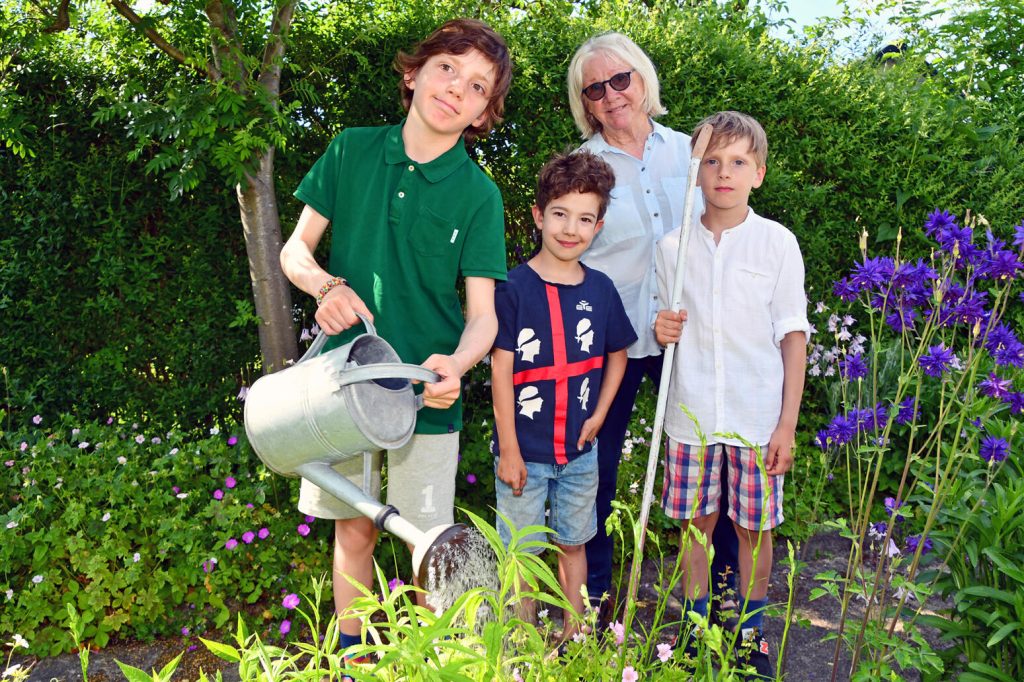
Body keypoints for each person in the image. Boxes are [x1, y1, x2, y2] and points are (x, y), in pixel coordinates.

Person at [278, 18, 512, 672]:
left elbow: (484, 319)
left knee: (427, 545)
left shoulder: (480, 195)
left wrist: (457, 364)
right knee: (353, 531)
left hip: (426, 400)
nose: (456, 88)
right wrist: (324, 285)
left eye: (477, 86)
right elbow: (294, 252)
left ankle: (430, 666)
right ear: (414, 73)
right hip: (341, 389)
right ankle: (352, 663)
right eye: (447, 68)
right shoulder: (350, 150)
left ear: (482, 114)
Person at [566, 31, 739, 625]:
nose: (612, 94)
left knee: (715, 460)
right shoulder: (583, 168)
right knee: (594, 469)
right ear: (586, 104)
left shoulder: (694, 152)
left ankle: (724, 598)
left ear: (643, 79)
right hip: (612, 340)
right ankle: (593, 606)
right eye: (596, 88)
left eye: (621, 79)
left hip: (691, 335)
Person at [654, 111, 808, 678]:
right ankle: (696, 630)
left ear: (758, 174)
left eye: (738, 162)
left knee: (753, 529)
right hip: (690, 412)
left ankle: (750, 633)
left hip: (756, 415)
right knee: (695, 526)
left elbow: (793, 336)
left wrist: (786, 424)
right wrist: (661, 328)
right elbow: (663, 320)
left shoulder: (777, 244)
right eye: (713, 161)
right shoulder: (672, 247)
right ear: (696, 172)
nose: (724, 173)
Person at [490, 150, 636, 644]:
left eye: (585, 218)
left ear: (598, 227)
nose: (571, 229)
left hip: (579, 453)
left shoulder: (602, 289)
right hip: (524, 454)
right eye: (560, 214)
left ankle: (575, 639)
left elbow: (618, 353)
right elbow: (501, 369)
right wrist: (509, 449)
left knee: (574, 544)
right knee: (523, 554)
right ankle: (523, 643)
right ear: (538, 216)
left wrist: (600, 413)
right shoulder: (512, 288)